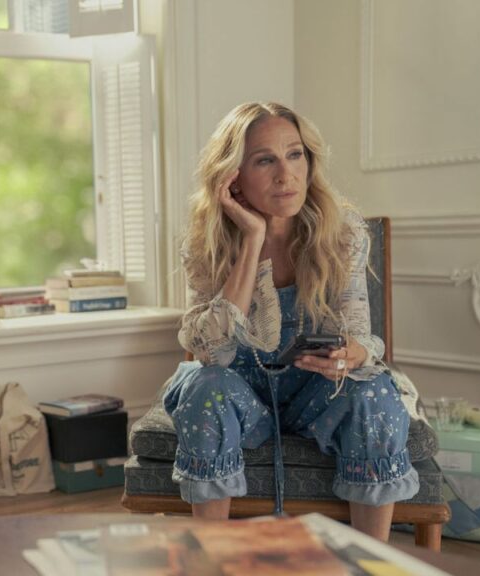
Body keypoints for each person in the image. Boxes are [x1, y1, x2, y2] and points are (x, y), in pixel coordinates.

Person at [166, 102, 418, 541]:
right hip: (239, 393)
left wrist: (351, 354)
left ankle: (369, 561)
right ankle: (209, 557)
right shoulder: (205, 243)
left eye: (295, 154)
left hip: (313, 392)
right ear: (233, 177)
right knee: (206, 387)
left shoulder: (343, 231)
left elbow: (362, 337)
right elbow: (212, 353)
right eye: (265, 160)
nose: (286, 174)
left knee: (374, 390)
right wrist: (253, 240)